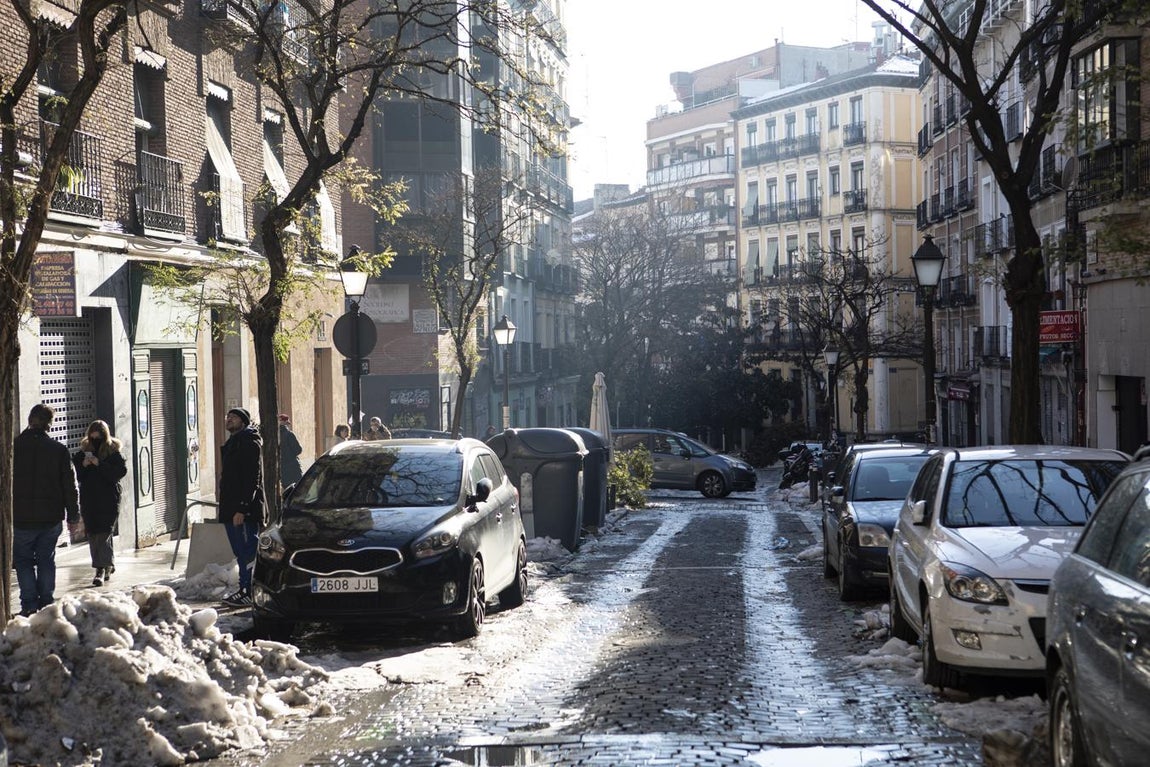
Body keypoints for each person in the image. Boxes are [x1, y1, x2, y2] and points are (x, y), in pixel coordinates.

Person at [13, 403, 80, 616]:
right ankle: (46, 602)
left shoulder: (13, 448)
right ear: (49, 425)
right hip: (50, 517)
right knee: (46, 560)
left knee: (23, 562)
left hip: (21, 517)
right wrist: (74, 515)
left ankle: (29, 604)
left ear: (29, 420)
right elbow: (70, 486)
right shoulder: (59, 450)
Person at [72, 420, 128, 587]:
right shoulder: (83, 452)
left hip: (108, 499)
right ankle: (107, 564)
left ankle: (100, 569)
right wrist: (83, 465)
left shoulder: (113, 453)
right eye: (92, 437)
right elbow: (79, 476)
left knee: (104, 533)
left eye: (99, 437)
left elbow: (117, 474)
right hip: (89, 499)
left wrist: (99, 464)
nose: (95, 440)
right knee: (94, 534)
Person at [219, 407, 265, 608]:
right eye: (228, 416)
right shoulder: (233, 442)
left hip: (243, 510)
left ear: (243, 422)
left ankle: (248, 590)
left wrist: (242, 509)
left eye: (234, 417)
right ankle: (244, 588)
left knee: (247, 551)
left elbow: (251, 479)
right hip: (231, 507)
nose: (229, 419)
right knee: (240, 551)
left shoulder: (248, 443)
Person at [278, 414, 303, 486]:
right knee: (297, 488)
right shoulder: (289, 434)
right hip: (292, 467)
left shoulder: (274, 436)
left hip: (281, 468)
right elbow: (298, 450)